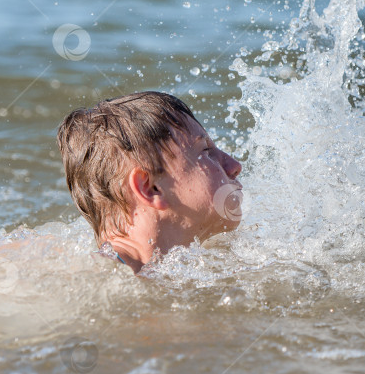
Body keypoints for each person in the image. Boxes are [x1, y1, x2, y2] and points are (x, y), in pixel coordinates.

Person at [56, 91, 243, 273]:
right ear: (150, 188)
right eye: (206, 151)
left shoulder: (177, 270)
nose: (234, 166)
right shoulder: (96, 273)